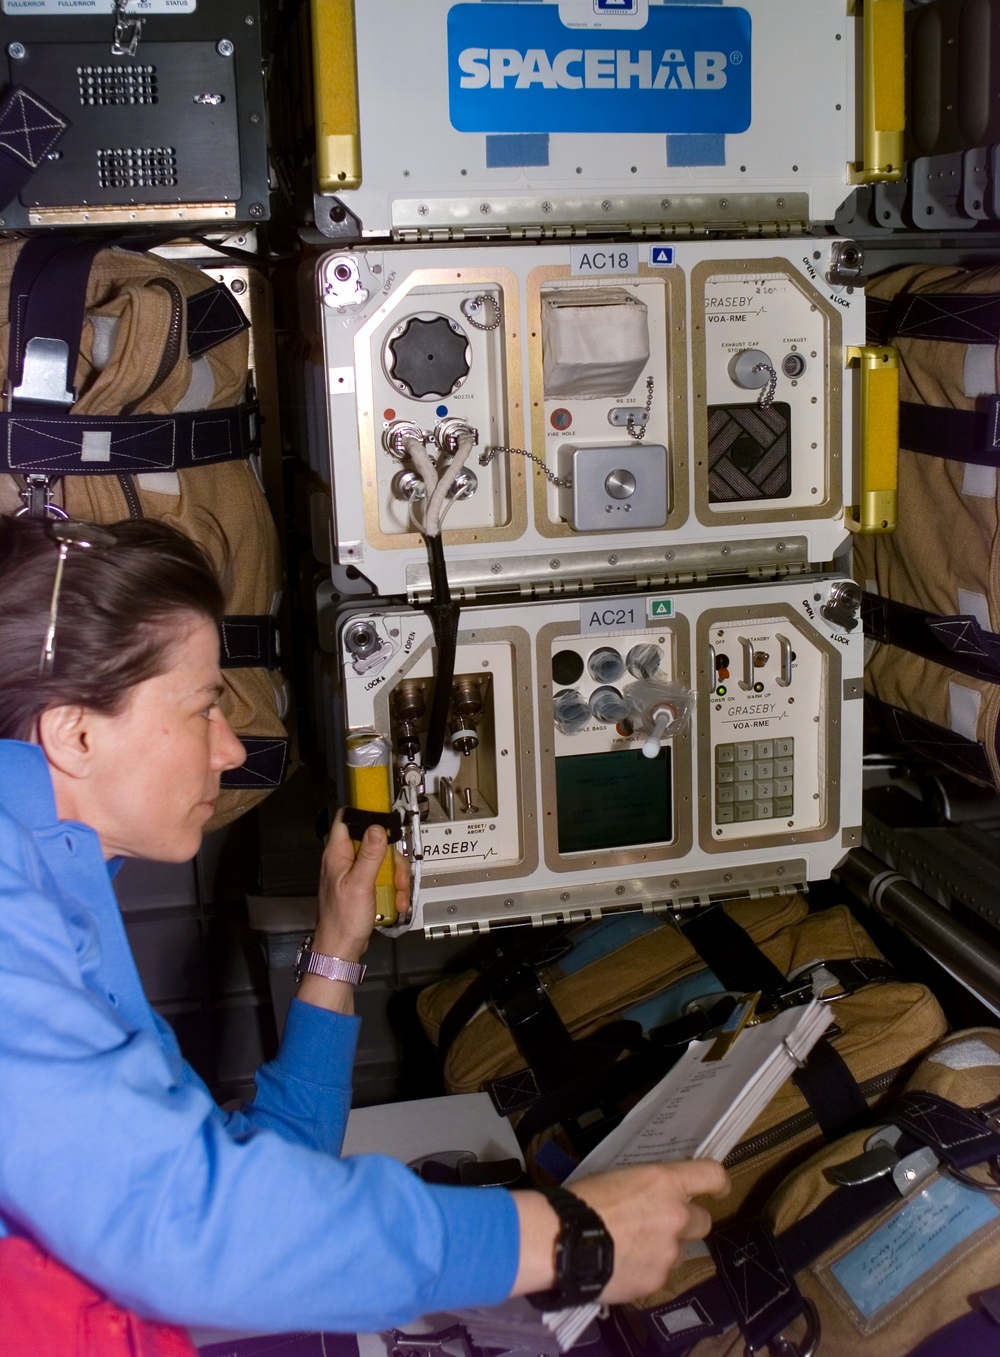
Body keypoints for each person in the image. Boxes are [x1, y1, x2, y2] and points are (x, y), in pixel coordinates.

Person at [0, 513, 729, 1346]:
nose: (230, 750)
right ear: (76, 733)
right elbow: (191, 1233)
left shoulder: (57, 894)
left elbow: (252, 1182)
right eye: (203, 707)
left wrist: (338, 946)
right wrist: (561, 1239)